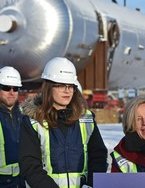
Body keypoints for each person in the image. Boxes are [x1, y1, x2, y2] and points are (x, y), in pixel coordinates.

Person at [19, 57, 107, 188]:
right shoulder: (32, 121)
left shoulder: (87, 119)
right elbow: (30, 165)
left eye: (70, 86)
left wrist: (90, 184)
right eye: (60, 85)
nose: (67, 90)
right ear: (48, 87)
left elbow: (98, 157)